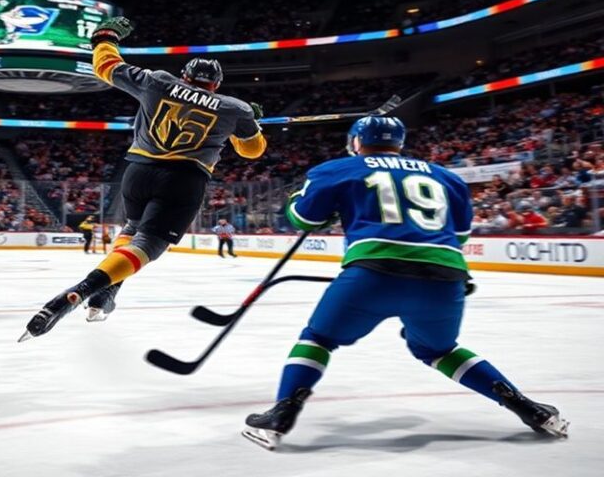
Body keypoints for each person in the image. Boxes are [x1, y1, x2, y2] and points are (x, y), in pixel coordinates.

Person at [242, 116, 568, 450]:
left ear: (356, 142)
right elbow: (457, 236)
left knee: (318, 338)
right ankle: (528, 408)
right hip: (444, 279)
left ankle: (281, 415)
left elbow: (303, 218)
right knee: (438, 349)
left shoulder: (338, 169)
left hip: (372, 274)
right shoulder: (446, 177)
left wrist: (299, 198)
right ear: (400, 142)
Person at [20, 17, 267, 340]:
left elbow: (106, 66)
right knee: (148, 244)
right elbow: (252, 151)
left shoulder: (159, 81)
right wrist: (250, 125)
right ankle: (82, 290)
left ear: (185, 76)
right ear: (216, 85)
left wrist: (104, 36)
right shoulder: (235, 108)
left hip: (138, 172)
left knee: (132, 230)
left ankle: (105, 293)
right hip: (184, 180)